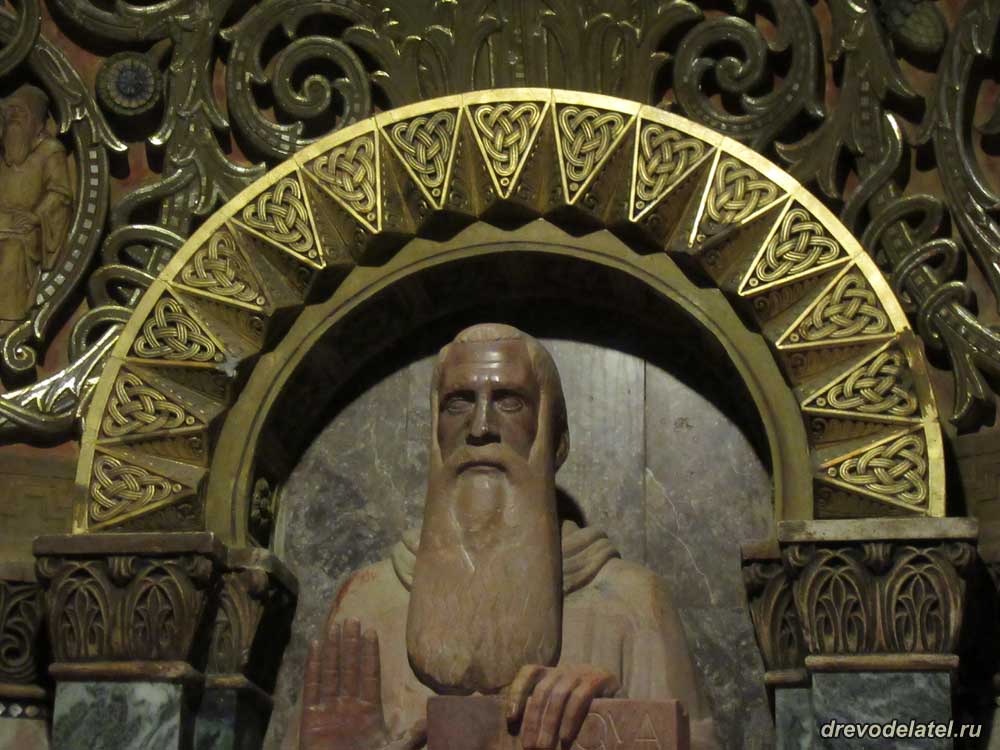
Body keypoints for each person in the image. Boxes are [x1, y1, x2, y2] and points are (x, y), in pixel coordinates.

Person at [289, 324, 719, 750]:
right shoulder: (365, 606)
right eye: (458, 403)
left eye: (509, 401)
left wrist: (614, 723)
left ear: (557, 442)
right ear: (434, 432)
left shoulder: (633, 605)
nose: (480, 428)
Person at [0, 84, 72, 335]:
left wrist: (35, 216)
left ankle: (6, 321)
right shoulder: (4, 152)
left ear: (34, 118)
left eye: (19, 112)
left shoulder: (50, 151)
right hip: (3, 221)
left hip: (28, 230)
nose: (12, 118)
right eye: (9, 113)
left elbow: (59, 193)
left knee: (11, 251)